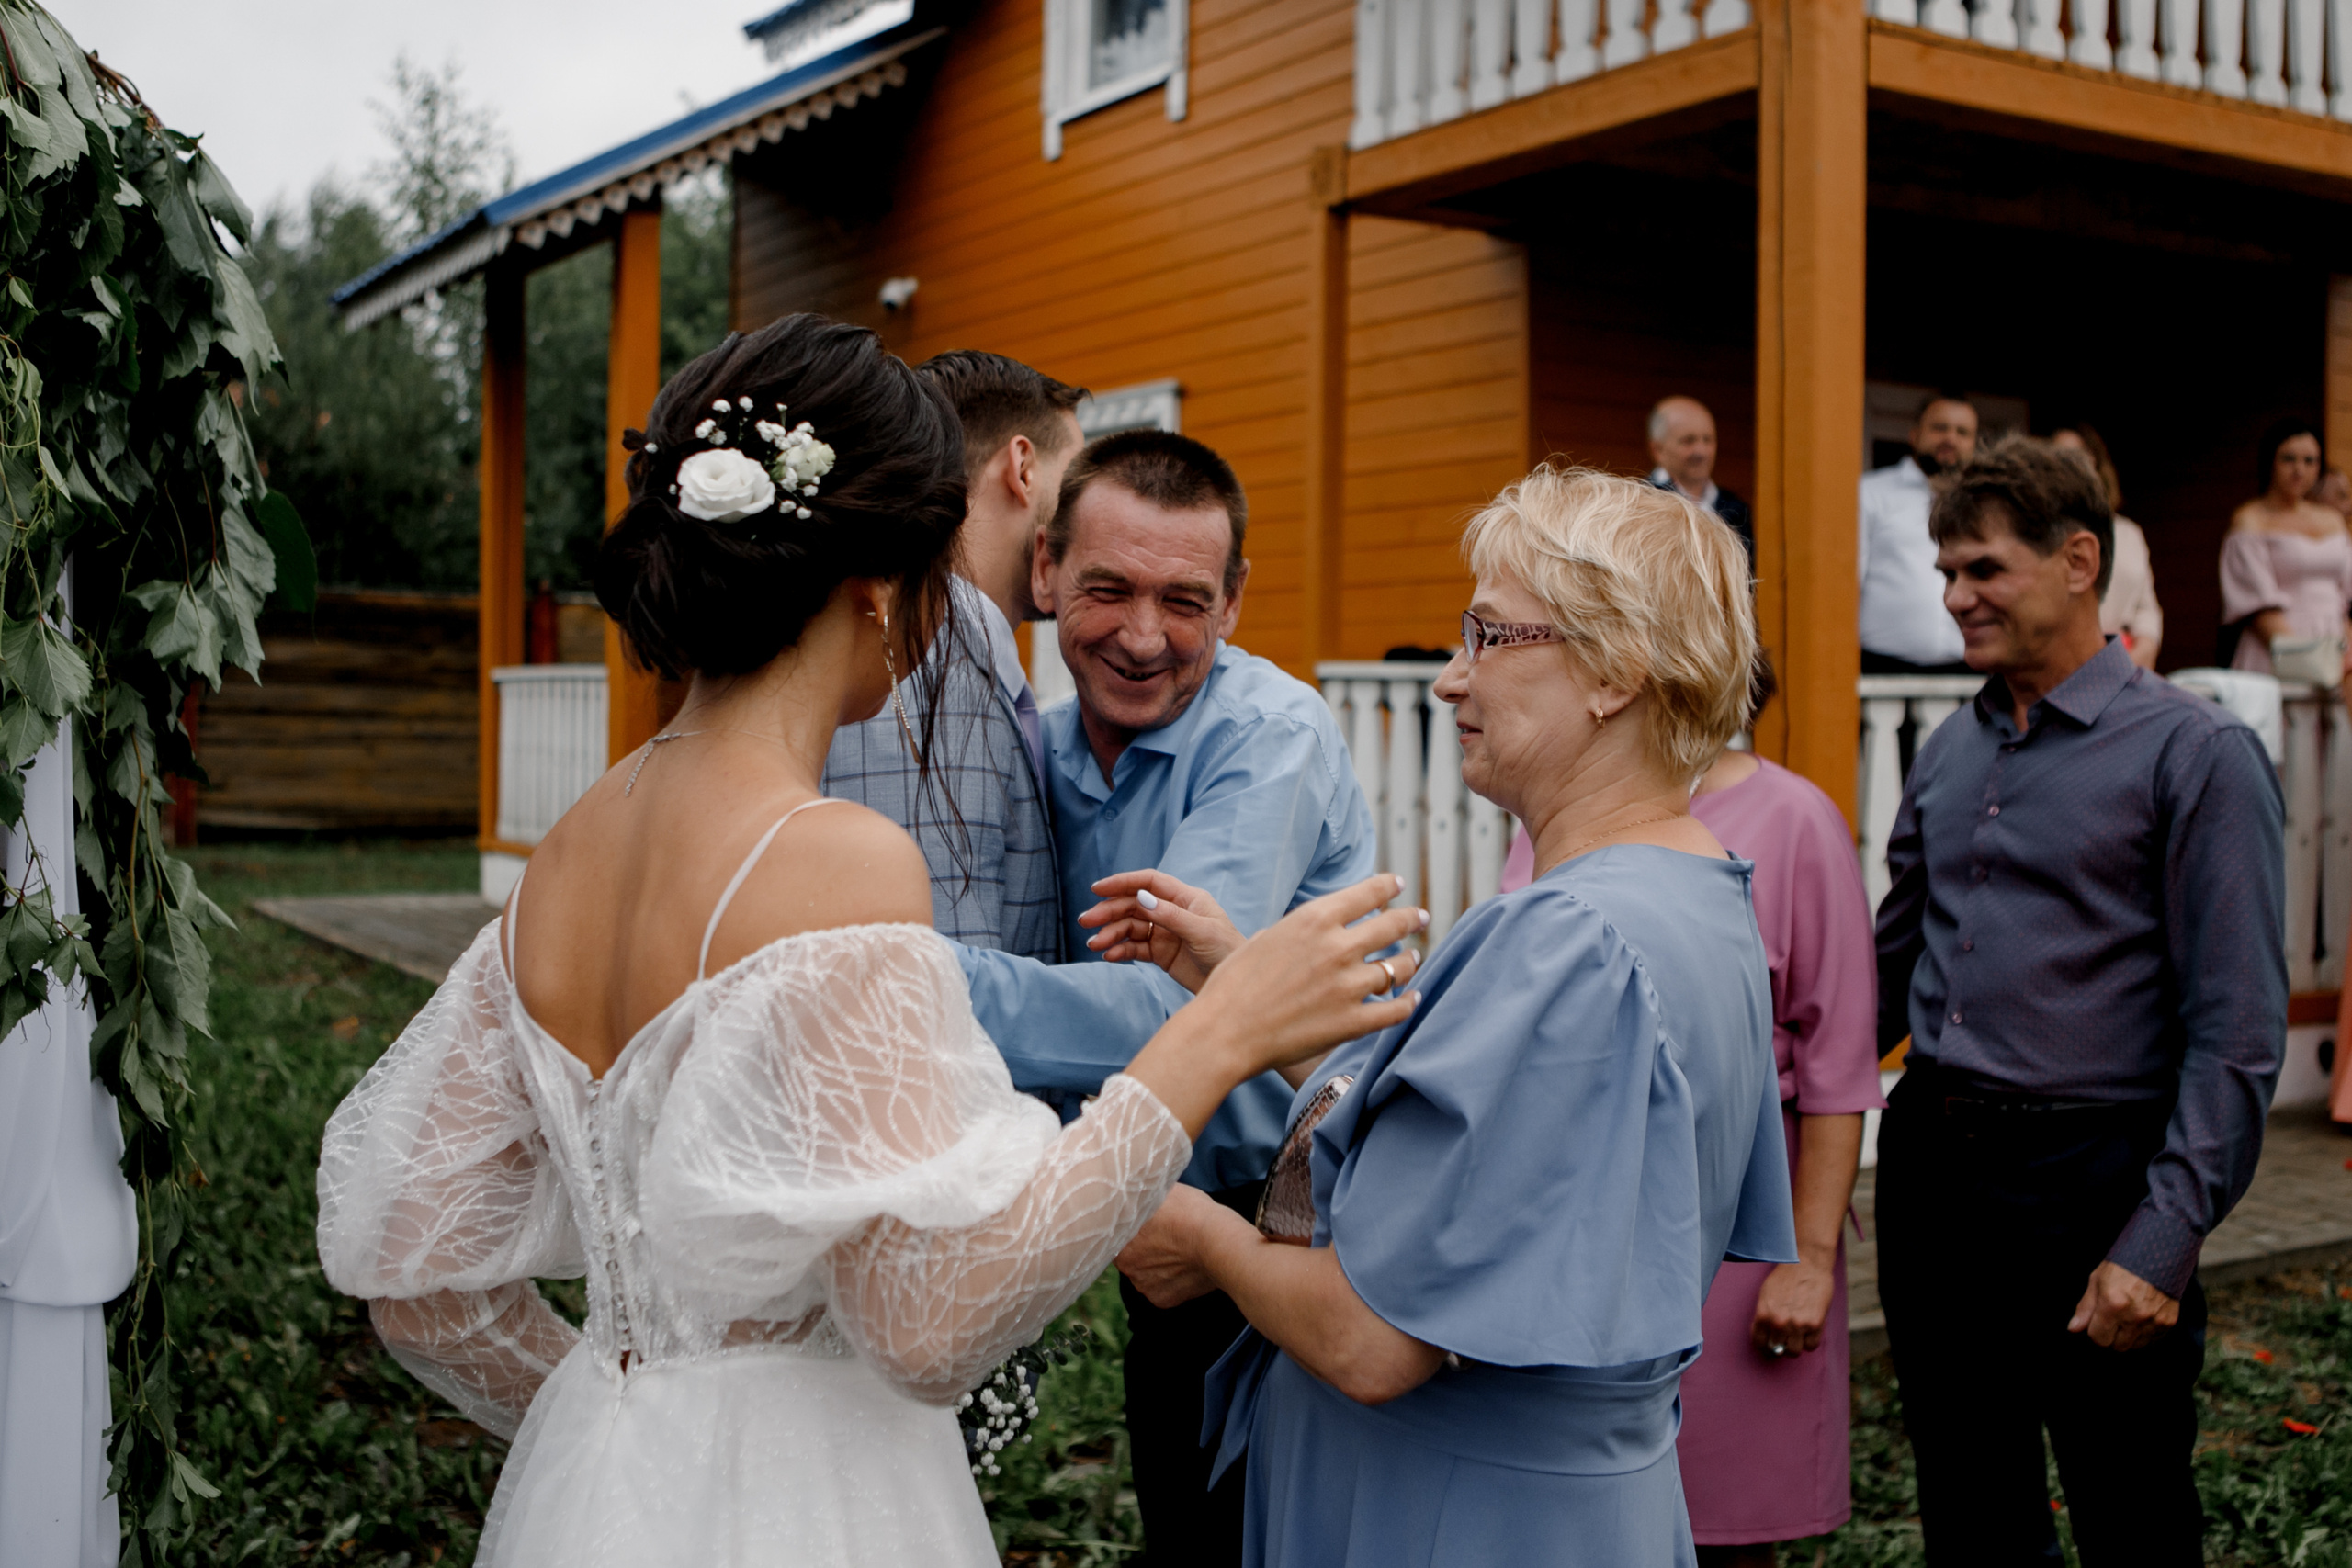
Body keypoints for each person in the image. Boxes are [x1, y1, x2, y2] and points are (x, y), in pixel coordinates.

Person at [311, 314, 1425, 1568]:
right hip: (817, 1502)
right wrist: (1222, 1022)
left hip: (598, 1497)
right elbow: (929, 1323)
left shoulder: (563, 851)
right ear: (881, 589)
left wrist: (621, 1415)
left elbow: (412, 1254)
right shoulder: (835, 856)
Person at [1098, 465, 1797, 1568]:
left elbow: (1373, 1340)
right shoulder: (1696, 891)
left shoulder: (1566, 941)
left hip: (1450, 1514)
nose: (1449, 681)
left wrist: (1198, 1236)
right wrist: (1240, 989)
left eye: (1487, 637)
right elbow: (1484, 1166)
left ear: (1612, 670)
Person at [957, 429, 1378, 1565]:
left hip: (1293, 1209)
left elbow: (1180, 1014)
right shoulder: (1032, 747)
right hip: (1148, 1199)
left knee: (1274, 1527)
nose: (1143, 638)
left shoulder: (1267, 734)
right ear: (1044, 574)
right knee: (1185, 1505)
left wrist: (902, 981)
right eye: (1108, 589)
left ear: (1234, 604)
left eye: (1184, 601)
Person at [1875, 437, 2286, 1566]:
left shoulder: (2195, 754)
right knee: (1969, 1503)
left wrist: (2162, 1240)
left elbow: (2239, 1029)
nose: (1955, 597)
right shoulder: (1947, 750)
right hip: (1933, 1175)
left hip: (2094, 1179)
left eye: (1983, 569)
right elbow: (1888, 968)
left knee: (2131, 1509)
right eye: (1946, 571)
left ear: (2077, 561)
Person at [823, 350, 1084, 960]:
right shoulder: (922, 666)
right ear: (1022, 467)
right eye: (1078, 477)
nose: (1090, 509)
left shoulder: (954, 651)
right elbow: (939, 988)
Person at [2221, 417, 2352, 682]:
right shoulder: (2251, 520)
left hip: (2337, 646)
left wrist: (2346, 653)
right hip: (2278, 648)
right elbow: (2257, 605)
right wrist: (2307, 658)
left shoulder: (2332, 520)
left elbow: (2347, 596)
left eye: (2310, 461)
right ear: (2271, 461)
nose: (2299, 470)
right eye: (2288, 459)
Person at [1859, 393, 1979, 675]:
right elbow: (1847, 583)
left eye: (1962, 432)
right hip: (1883, 671)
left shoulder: (1983, 504)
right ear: (1914, 435)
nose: (1950, 438)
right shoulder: (1871, 492)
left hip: (1967, 673)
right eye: (1940, 428)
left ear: (1973, 444)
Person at [2053, 425, 2162, 671]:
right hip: (2065, 667)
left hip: (2127, 662)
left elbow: (2146, 607)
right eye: (2057, 457)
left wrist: (2143, 650)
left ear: (2097, 466)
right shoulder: (2039, 533)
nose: (2068, 466)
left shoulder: (2128, 533)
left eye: (2077, 456)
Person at [1648, 394, 1754, 561]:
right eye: (1688, 441)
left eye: (1708, 440)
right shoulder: (1643, 504)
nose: (1701, 451)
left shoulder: (1737, 510)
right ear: (1658, 450)